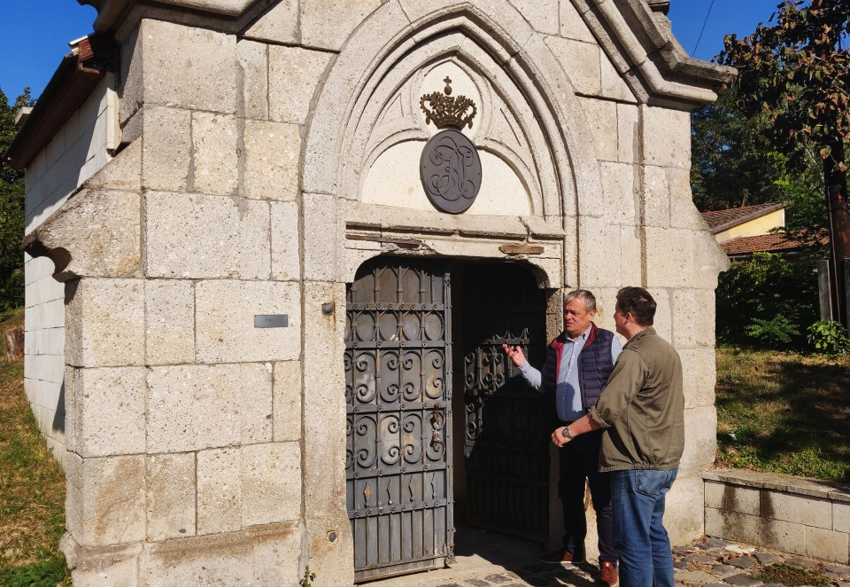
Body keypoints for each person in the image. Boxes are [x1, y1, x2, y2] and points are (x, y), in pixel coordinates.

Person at [552, 287, 684, 587]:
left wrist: (569, 430)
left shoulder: (635, 355)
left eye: (615, 310)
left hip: (637, 462)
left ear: (627, 316)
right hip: (664, 460)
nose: (612, 316)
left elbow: (605, 410)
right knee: (654, 534)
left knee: (632, 542)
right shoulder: (666, 349)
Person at [503, 289, 621, 587]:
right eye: (566, 312)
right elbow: (546, 385)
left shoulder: (608, 342)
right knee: (568, 493)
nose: (568, 317)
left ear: (592, 314)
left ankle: (608, 561)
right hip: (565, 433)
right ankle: (572, 548)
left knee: (603, 499)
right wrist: (522, 364)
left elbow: (620, 389)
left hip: (596, 433)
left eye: (574, 313)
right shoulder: (556, 345)